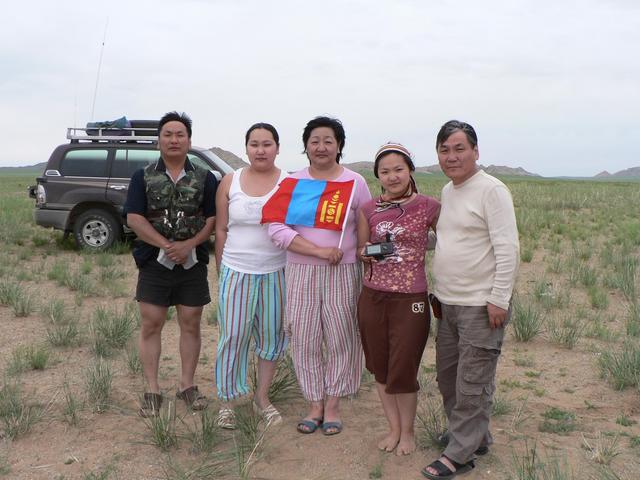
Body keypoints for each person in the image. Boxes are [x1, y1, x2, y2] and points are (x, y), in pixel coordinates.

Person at [421, 121, 519, 479]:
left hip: (482, 305)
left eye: (459, 148)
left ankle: (459, 454)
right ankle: (474, 437)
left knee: (472, 382)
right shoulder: (449, 191)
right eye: (445, 150)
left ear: (475, 151)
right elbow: (449, 239)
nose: (452, 156)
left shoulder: (491, 190)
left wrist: (499, 298)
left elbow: (508, 248)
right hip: (446, 304)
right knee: (449, 378)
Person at [267, 116, 372, 435]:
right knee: (304, 336)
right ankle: (314, 404)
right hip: (301, 271)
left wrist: (364, 253)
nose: (321, 147)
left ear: (339, 146)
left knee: (342, 335)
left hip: (343, 271)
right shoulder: (292, 182)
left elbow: (365, 220)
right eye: (315, 141)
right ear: (306, 146)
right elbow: (275, 226)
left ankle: (334, 403)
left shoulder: (355, 183)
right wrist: (316, 251)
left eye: (329, 140)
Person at [124, 111, 217, 417]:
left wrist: (190, 245)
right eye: (168, 134)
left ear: (189, 140)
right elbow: (134, 218)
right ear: (158, 141)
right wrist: (166, 245)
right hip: (154, 263)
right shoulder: (143, 176)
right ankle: (152, 390)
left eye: (180, 134)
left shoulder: (205, 178)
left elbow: (213, 219)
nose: (174, 140)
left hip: (192, 264)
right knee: (151, 324)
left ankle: (187, 386)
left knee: (190, 323)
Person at [357, 143, 440, 456]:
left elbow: (454, 237)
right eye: (385, 171)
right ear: (377, 175)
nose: (392, 176)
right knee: (380, 366)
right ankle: (393, 428)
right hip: (373, 295)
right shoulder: (368, 209)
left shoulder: (430, 207)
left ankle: (408, 432)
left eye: (398, 169)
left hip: (411, 298)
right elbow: (359, 249)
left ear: (410, 171)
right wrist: (370, 252)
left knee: (403, 368)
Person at [213, 123, 288, 428]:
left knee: (271, 337)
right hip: (236, 270)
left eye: (267, 144)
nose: (261, 150)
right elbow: (220, 228)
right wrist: (221, 269)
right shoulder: (230, 182)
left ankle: (262, 398)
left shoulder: (288, 182)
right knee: (233, 336)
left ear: (277, 148)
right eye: (254, 144)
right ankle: (227, 401)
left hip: (275, 272)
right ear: (246, 148)